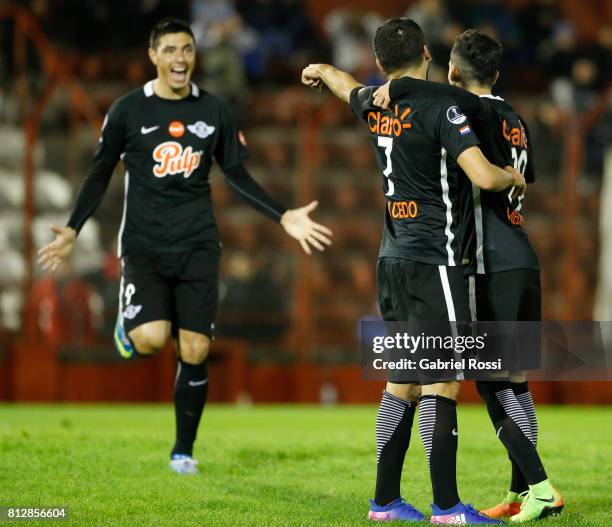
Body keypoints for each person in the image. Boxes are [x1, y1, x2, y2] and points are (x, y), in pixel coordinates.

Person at [38, 18, 332, 475]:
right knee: (152, 340)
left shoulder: (214, 111)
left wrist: (283, 216)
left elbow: (236, 174)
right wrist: (74, 228)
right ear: (153, 56)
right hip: (144, 245)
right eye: (171, 50)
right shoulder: (127, 111)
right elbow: (99, 173)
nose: (180, 59)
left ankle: (183, 451)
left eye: (187, 50)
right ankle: (130, 326)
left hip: (197, 245)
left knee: (194, 349)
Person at [302, 17, 524, 525]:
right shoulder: (441, 106)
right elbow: (482, 175)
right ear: (428, 53)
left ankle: (384, 501)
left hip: (392, 258)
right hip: (436, 259)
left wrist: (319, 68)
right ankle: (447, 508)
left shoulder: (376, 103)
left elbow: (345, 87)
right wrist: (513, 175)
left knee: (401, 381)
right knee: (443, 383)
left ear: (380, 63)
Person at [371, 29, 564, 523]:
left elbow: (475, 166)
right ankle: (521, 493)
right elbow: (525, 176)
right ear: (498, 73)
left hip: (484, 265)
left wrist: (401, 87)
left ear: (452, 72)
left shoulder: (466, 112)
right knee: (513, 384)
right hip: (523, 259)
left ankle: (539, 488)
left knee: (480, 383)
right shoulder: (517, 119)